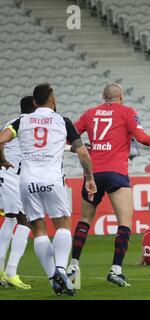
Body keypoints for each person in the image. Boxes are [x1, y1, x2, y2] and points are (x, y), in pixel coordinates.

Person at [67, 82, 150, 287]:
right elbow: (140, 137)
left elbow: (70, 135)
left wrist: (80, 148)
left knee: (85, 219)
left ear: (103, 97)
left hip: (93, 173)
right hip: (116, 174)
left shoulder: (90, 113)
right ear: (120, 97)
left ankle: (73, 264)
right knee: (124, 222)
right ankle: (115, 270)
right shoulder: (127, 112)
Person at [0, 84, 96, 296]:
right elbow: (82, 153)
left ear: (34, 103)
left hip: (27, 182)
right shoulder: (62, 121)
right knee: (62, 225)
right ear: (52, 101)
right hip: (53, 179)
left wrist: (3, 160)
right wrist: (89, 177)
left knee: (38, 229)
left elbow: (0, 140)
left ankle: (53, 277)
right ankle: (61, 269)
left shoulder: (21, 121)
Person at [0, 96, 34, 290]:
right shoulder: (24, 124)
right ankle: (12, 272)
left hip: (8, 176)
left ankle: (1, 270)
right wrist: (3, 160)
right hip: (12, 175)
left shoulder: (13, 122)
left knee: (10, 219)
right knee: (25, 221)